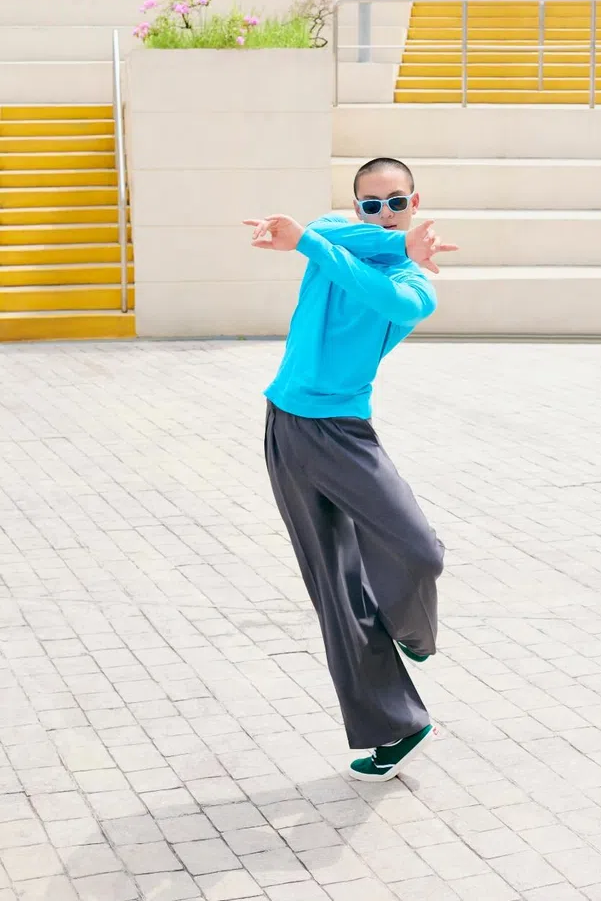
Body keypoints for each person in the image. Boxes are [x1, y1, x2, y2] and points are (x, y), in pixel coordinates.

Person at [243, 157, 457, 782]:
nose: (384, 213)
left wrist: (397, 252)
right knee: (335, 590)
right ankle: (397, 728)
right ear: (355, 205)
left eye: (397, 203)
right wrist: (389, 241)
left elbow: (376, 290)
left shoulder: (417, 288)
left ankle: (412, 633)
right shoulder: (333, 228)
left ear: (416, 202)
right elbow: (325, 231)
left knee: (420, 550)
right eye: (372, 204)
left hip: (344, 431)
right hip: (287, 426)